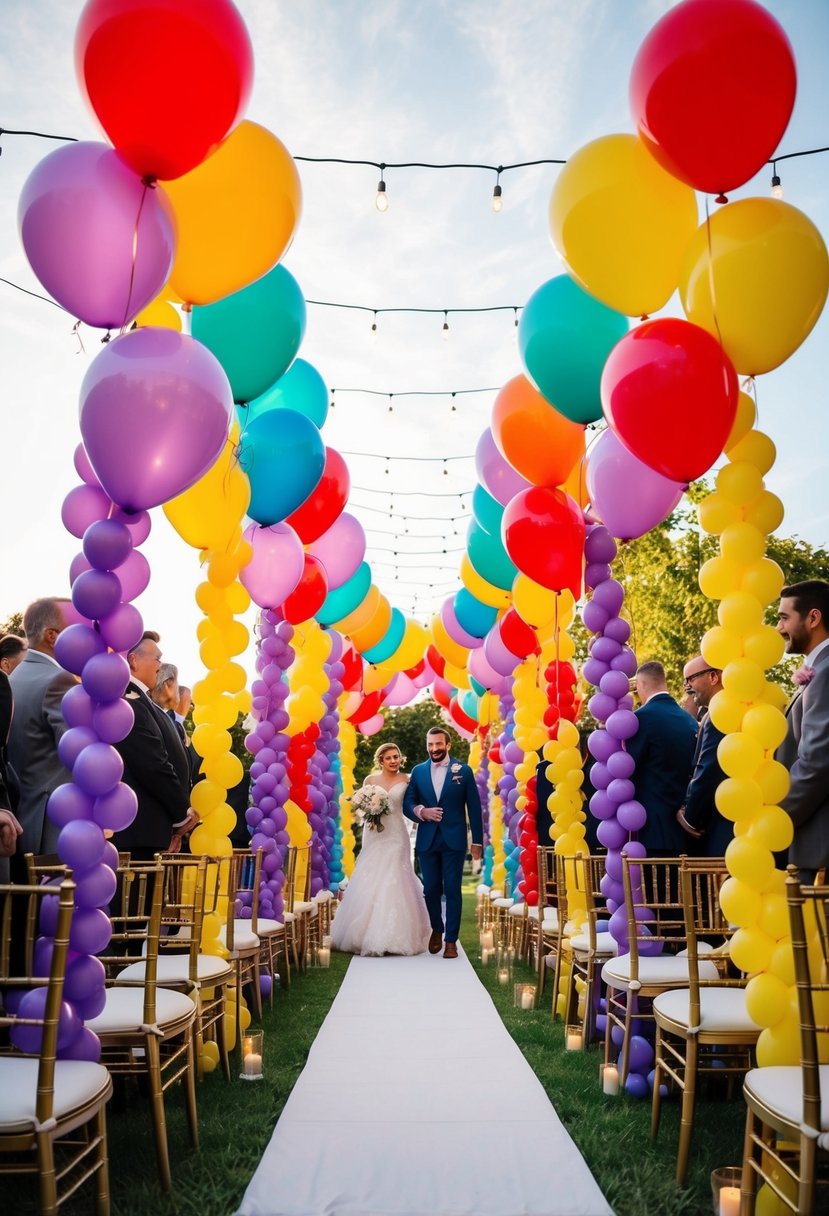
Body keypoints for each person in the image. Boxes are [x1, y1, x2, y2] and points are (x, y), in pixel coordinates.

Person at [331, 741, 430, 957]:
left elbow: (412, 805)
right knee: (371, 874)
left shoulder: (407, 779)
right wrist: (369, 809)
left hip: (396, 834)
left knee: (395, 875)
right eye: (389, 758)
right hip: (374, 834)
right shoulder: (370, 780)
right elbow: (360, 807)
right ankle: (362, 932)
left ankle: (396, 935)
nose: (394, 761)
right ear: (381, 761)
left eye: (397, 757)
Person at [111, 632, 197, 860]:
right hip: (137, 831)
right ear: (133, 660)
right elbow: (151, 763)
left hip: (152, 831)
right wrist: (181, 814)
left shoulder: (143, 700)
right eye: (157, 658)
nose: (160, 665)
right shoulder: (127, 701)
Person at [403, 726, 483, 958]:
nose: (434, 748)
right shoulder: (418, 772)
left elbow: (474, 808)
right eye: (430, 744)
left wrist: (477, 840)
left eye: (438, 744)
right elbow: (407, 802)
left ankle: (451, 940)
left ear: (448, 745)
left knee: (452, 889)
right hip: (427, 840)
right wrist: (421, 811)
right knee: (430, 889)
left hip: (454, 840)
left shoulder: (464, 771)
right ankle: (437, 929)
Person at [8, 598, 75, 857]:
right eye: (76, 629)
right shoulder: (59, 680)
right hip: (54, 824)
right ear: (52, 636)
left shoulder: (15, 677)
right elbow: (77, 753)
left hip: (23, 818)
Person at [775, 579, 829, 880]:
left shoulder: (826, 671)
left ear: (813, 618)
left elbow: (816, 762)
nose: (779, 628)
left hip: (819, 846)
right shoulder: (818, 669)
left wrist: (777, 817)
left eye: (784, 617)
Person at [626, 660, 698, 856]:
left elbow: (627, 768)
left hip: (650, 830)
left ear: (640, 685)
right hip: (684, 830)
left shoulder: (640, 719)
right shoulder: (689, 720)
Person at [675, 657, 731, 856]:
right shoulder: (720, 710)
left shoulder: (720, 713)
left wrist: (689, 817)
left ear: (713, 676)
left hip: (722, 824)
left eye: (690, 679)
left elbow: (707, 769)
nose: (686, 687)